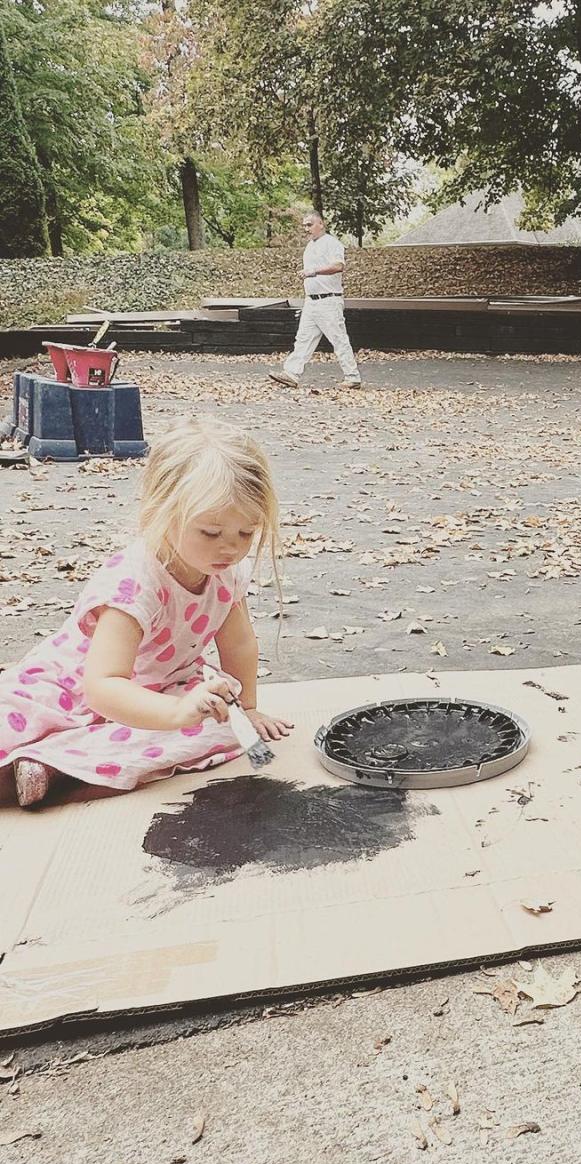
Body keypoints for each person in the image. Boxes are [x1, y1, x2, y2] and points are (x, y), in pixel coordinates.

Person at [0, 418, 293, 807]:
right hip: (69, 688)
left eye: (246, 533)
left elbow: (239, 644)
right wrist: (175, 713)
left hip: (162, 689)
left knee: (228, 727)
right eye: (211, 532)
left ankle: (53, 769)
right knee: (10, 725)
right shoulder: (136, 581)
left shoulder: (225, 574)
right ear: (162, 512)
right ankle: (49, 761)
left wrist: (249, 709)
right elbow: (103, 685)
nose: (231, 549)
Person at [269, 211, 362, 391]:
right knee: (303, 338)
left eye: (310, 224)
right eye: (304, 225)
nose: (306, 229)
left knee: (338, 338)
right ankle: (291, 373)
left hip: (328, 300)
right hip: (311, 301)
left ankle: (352, 376)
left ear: (321, 224)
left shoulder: (332, 243)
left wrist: (314, 271)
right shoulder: (310, 247)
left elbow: (338, 266)